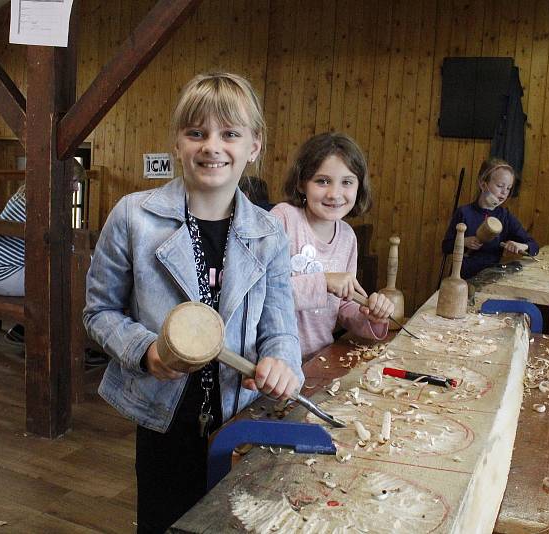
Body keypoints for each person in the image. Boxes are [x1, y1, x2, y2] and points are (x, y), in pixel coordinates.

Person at [82, 72, 303, 533]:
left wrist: (282, 360)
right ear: (178, 142)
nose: (212, 146)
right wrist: (145, 349)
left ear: (254, 146)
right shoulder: (133, 217)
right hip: (163, 415)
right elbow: (98, 312)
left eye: (230, 134)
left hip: (239, 415)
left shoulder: (268, 233)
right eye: (196, 133)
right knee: (165, 522)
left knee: (234, 520)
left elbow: (279, 326)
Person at [271, 132, 395, 360]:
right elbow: (262, 293)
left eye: (346, 182)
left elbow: (344, 308)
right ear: (301, 183)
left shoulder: (347, 237)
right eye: (322, 181)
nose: (334, 193)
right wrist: (324, 281)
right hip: (274, 364)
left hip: (318, 359)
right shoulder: (283, 219)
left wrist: (370, 316)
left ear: (359, 187)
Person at [0, 160, 86, 343]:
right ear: (57, 179)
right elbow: (58, 248)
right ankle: (78, 341)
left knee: (62, 273)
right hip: (1, 275)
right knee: (70, 279)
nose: (76, 189)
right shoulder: (42, 206)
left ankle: (23, 329)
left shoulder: (27, 196)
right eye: (73, 181)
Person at [441, 157, 539, 279]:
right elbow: (446, 246)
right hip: (463, 277)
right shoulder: (464, 212)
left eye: (508, 188)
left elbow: (534, 246)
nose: (504, 192)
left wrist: (522, 246)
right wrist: (463, 241)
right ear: (483, 184)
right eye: (500, 186)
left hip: (491, 279)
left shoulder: (505, 216)